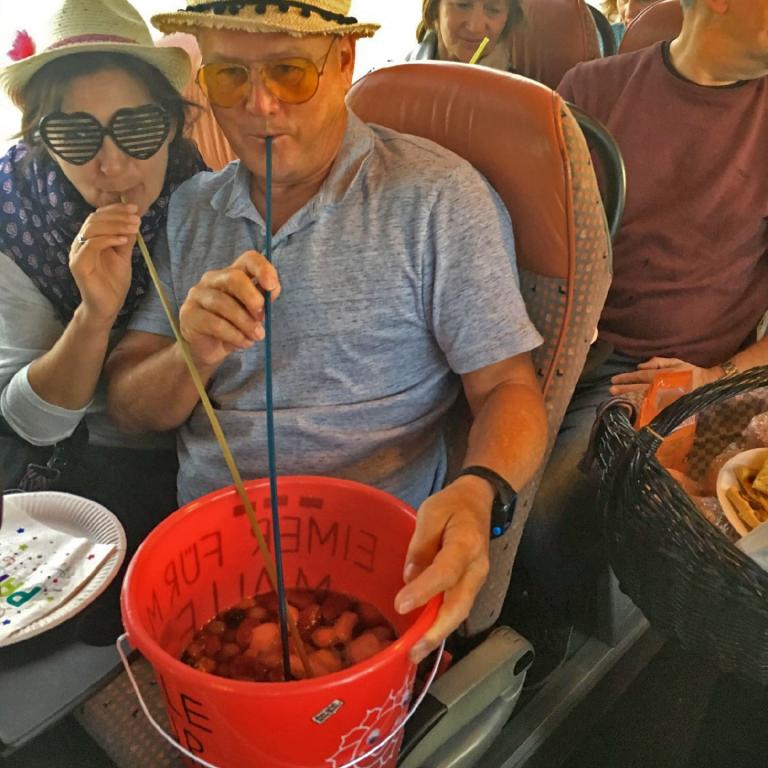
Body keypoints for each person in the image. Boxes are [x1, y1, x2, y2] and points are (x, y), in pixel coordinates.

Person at [105, 0, 548, 662]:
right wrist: (192, 352)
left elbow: (508, 387)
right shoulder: (192, 208)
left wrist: (480, 490)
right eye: (229, 76)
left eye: (288, 71)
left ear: (343, 62)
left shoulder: (438, 199)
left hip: (372, 575)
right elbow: (129, 406)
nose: (258, 105)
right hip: (210, 568)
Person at [519, 0, 768, 608]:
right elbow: (537, 246)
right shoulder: (590, 90)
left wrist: (712, 378)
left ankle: (561, 637)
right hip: (555, 341)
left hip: (678, 371)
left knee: (547, 517)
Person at [0, 0, 206, 639]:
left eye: (137, 129)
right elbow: (30, 424)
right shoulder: (14, 216)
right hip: (58, 458)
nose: (111, 166)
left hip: (165, 447)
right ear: (43, 140)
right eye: (75, 137)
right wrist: (94, 314)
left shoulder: (204, 200)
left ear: (173, 125)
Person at [407, 0, 524, 70]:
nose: (475, 28)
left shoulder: (519, 97)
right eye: (462, 5)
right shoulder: (399, 79)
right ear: (434, 9)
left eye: (493, 10)